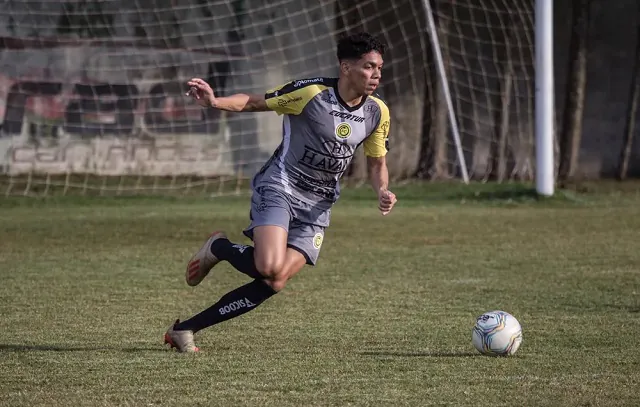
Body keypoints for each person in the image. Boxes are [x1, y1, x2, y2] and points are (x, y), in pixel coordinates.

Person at [164, 32, 397, 352]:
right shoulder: (311, 92)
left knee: (275, 279)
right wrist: (215, 102)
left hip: (318, 205)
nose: (376, 75)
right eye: (369, 67)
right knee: (269, 266)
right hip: (280, 187)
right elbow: (255, 101)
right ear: (346, 67)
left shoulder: (377, 112)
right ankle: (221, 248)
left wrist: (382, 189)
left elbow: (376, 163)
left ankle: (185, 329)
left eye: (379, 68)